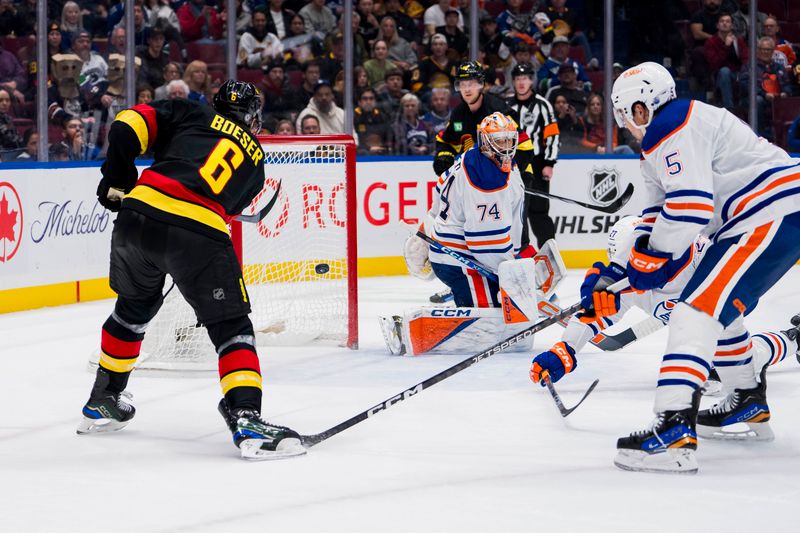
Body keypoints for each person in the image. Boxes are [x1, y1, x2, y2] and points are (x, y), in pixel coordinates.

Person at [77, 80, 305, 461]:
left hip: (136, 216)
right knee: (231, 327)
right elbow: (222, 209)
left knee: (132, 310)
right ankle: (247, 417)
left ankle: (104, 398)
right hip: (196, 231)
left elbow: (124, 124)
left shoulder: (193, 111)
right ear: (252, 117)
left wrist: (117, 179)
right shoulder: (256, 164)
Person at [593, 61, 800, 474]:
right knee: (718, 313)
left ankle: (672, 428)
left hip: (768, 214)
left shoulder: (676, 124)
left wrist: (652, 258)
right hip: (766, 216)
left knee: (694, 312)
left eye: (624, 112)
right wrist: (615, 273)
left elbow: (689, 208)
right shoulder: (661, 140)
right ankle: (745, 401)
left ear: (641, 106)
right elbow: (656, 213)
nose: (623, 123)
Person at [530, 216, 800, 397]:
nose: (629, 267)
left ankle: (793, 340)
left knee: (735, 368)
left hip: (723, 319)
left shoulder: (697, 253)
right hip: (698, 333)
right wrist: (563, 350)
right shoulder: (627, 282)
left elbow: (741, 288)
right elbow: (593, 318)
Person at [434, 61, 535, 245]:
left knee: (515, 228)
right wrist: (443, 154)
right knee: (482, 224)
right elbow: (445, 140)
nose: (467, 89)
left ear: (481, 84)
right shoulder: (458, 113)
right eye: (462, 84)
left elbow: (525, 146)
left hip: (512, 176)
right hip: (481, 178)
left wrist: (505, 168)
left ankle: (522, 260)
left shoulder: (497, 109)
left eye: (471, 83)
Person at [506, 63, 559, 247]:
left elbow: (552, 134)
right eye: (518, 79)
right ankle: (520, 250)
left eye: (525, 78)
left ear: (531, 80)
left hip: (537, 162)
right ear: (513, 81)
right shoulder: (507, 106)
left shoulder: (543, 105)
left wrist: (549, 162)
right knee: (516, 210)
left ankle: (548, 252)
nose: (522, 82)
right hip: (513, 164)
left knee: (538, 211)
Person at [704, 13, 748, 109]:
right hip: (719, 75)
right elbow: (714, 64)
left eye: (728, 21)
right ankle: (729, 108)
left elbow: (746, 59)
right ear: (717, 25)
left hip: (738, 73)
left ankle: (746, 106)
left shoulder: (738, 40)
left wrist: (744, 72)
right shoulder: (711, 42)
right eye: (722, 21)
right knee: (725, 71)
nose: (725, 23)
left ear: (731, 25)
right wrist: (726, 47)